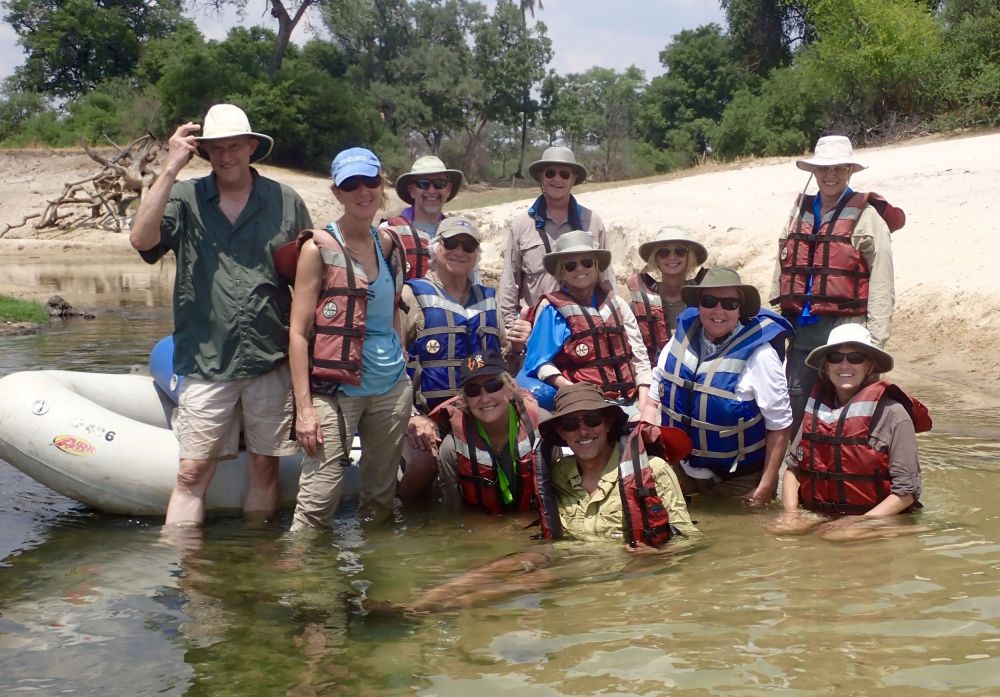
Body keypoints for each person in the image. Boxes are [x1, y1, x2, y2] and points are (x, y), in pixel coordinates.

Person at [129, 103, 312, 526]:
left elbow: (306, 277)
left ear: (251, 146)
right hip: (206, 361)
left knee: (264, 468)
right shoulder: (184, 196)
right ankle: (187, 577)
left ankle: (252, 567)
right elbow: (142, 239)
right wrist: (171, 167)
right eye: (216, 148)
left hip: (269, 358)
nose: (226, 156)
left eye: (234, 146)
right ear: (204, 151)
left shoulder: (285, 201)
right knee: (191, 471)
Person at [287, 147, 412, 529]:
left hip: (391, 388)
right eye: (351, 184)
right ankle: (301, 585)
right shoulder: (316, 249)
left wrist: (403, 362)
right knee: (316, 503)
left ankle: (379, 580)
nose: (363, 191)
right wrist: (305, 411)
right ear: (337, 191)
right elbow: (297, 333)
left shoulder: (389, 243)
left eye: (370, 182)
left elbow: (392, 313)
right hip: (336, 392)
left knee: (381, 499)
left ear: (382, 186)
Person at [770, 135, 905, 434]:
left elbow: (883, 280)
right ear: (814, 171)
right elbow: (782, 265)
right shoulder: (799, 211)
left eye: (839, 169)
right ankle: (800, 475)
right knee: (797, 411)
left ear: (850, 172)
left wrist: (876, 341)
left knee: (853, 416)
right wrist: (778, 327)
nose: (831, 175)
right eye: (824, 169)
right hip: (803, 334)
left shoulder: (868, 216)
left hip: (849, 332)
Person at [642, 267, 794, 505]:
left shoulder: (761, 356)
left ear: (740, 309)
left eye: (730, 303)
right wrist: (648, 458)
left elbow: (780, 426)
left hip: (738, 478)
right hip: (680, 469)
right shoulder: (680, 341)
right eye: (710, 301)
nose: (718, 310)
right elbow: (652, 403)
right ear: (699, 305)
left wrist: (765, 486)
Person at [774, 324, 932, 540]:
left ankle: (911, 530)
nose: (844, 364)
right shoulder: (817, 408)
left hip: (877, 517)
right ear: (826, 366)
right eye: (835, 357)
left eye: (855, 358)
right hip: (825, 515)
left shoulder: (894, 413)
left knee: (838, 537)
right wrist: (791, 514)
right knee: (780, 530)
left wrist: (859, 522)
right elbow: (793, 470)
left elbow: (907, 493)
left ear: (869, 366)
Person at [396, 217, 505, 498]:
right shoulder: (412, 294)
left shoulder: (490, 299)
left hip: (481, 411)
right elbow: (393, 362)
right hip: (425, 414)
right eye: (451, 243)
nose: (460, 250)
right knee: (423, 462)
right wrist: (411, 416)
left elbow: (504, 363)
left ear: (477, 254)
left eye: (468, 245)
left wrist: (517, 348)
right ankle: (409, 524)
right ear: (436, 248)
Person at [540, 383, 698, 546]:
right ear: (561, 432)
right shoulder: (554, 478)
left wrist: (656, 555)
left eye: (592, 420)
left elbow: (689, 539)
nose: (583, 431)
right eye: (570, 424)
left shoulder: (653, 469)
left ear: (608, 423)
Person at [516, 230, 651, 414]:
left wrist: (645, 405)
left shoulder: (617, 304)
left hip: (631, 399)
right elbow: (540, 363)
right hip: (583, 403)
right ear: (561, 273)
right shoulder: (552, 309)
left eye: (587, 262)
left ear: (596, 267)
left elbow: (639, 357)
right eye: (570, 265)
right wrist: (572, 390)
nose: (580, 268)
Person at [429, 350, 558, 536]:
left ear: (511, 387)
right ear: (464, 400)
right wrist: (503, 532)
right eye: (473, 391)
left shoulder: (544, 427)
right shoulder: (451, 448)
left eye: (493, 385)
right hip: (485, 532)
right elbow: (454, 514)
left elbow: (560, 495)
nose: (485, 397)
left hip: (536, 524)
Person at [499, 146, 611, 345]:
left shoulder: (593, 221)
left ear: (573, 178)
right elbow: (509, 285)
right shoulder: (522, 224)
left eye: (564, 174)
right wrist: (512, 335)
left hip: (585, 334)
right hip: (536, 335)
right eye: (550, 173)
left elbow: (606, 282)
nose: (557, 179)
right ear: (541, 178)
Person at [626, 226, 709, 366]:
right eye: (663, 252)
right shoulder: (635, 306)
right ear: (656, 259)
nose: (672, 257)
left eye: (680, 251)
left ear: (690, 257)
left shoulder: (708, 300)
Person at [382, 155, 465, 279]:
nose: (432, 190)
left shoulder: (460, 234)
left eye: (439, 184)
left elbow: (473, 283)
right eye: (423, 184)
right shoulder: (388, 231)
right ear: (411, 190)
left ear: (448, 190)